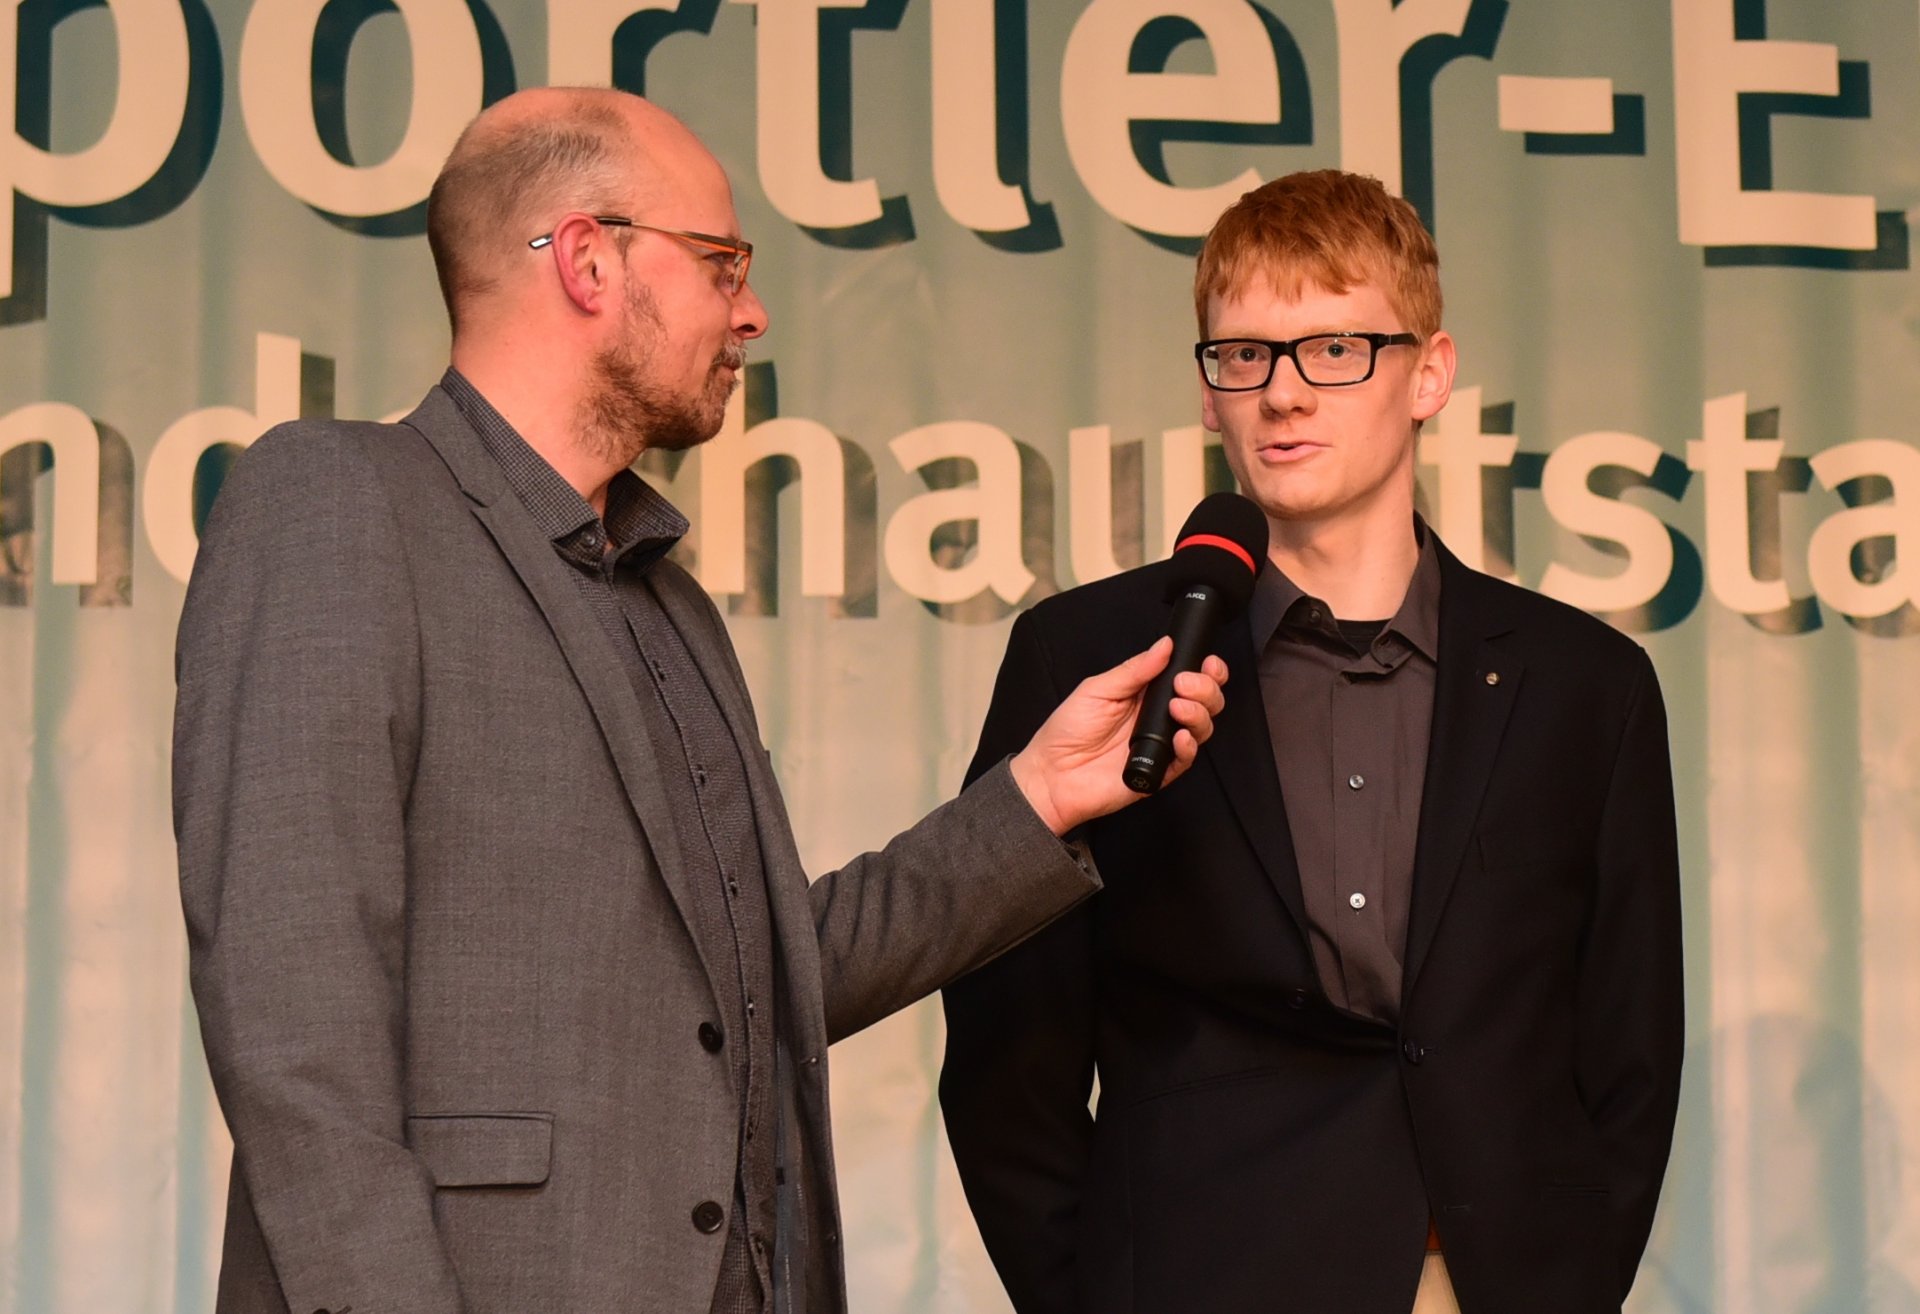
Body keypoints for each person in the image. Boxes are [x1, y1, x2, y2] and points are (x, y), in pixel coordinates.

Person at [171, 87, 1227, 1314]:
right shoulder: (339, 498)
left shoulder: (671, 603)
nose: (752, 309)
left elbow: (756, 978)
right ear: (586, 259)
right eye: (723, 262)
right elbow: (297, 1030)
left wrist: (1040, 797)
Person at [940, 170, 1684, 1314]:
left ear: (1428, 373)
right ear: (1209, 394)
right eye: (1243, 356)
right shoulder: (1093, 655)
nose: (1283, 394)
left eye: (1336, 349)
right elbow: (1008, 1058)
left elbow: (1628, 1057)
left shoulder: (1587, 686)